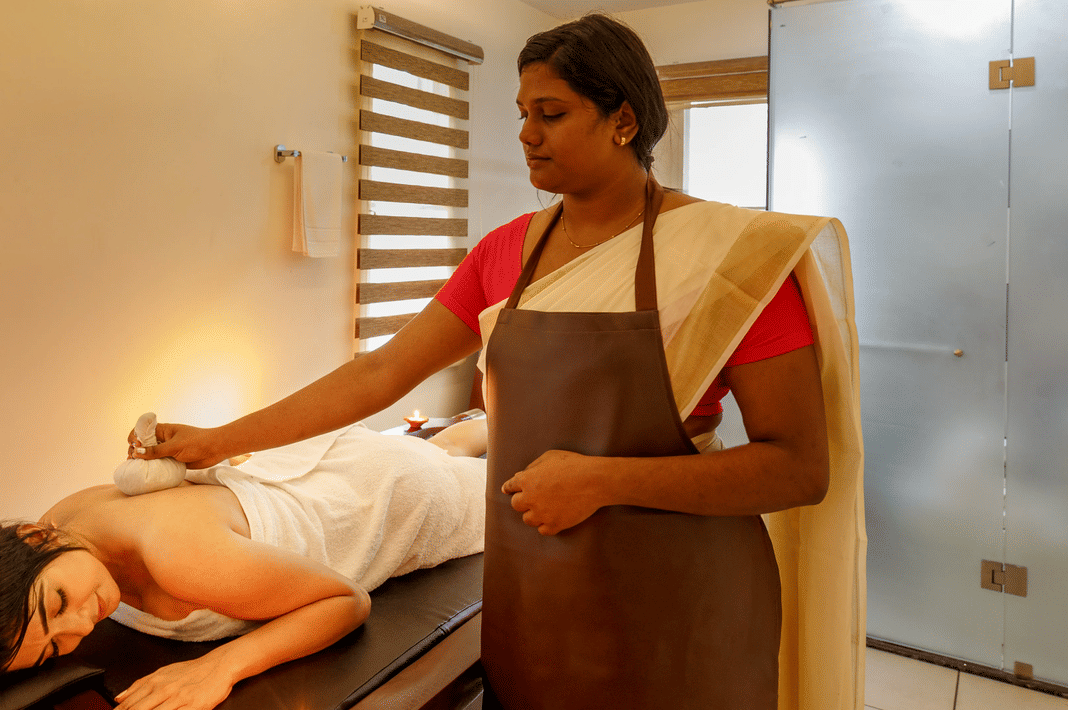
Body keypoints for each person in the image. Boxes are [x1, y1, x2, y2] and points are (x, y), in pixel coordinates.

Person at [133, 13, 864, 710]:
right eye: (522, 113)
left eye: (551, 113)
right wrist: (221, 441)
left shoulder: (727, 261)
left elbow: (797, 466)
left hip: (681, 591)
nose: (525, 134)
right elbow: (379, 375)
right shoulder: (505, 252)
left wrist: (603, 481)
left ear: (622, 121)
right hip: (535, 587)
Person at [0, 421, 487, 710]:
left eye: (56, 605)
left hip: (385, 501)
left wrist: (221, 666)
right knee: (442, 446)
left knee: (502, 482)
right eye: (54, 647)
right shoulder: (60, 529)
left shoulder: (181, 559)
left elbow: (345, 600)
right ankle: (461, 433)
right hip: (312, 474)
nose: (81, 626)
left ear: (33, 537)